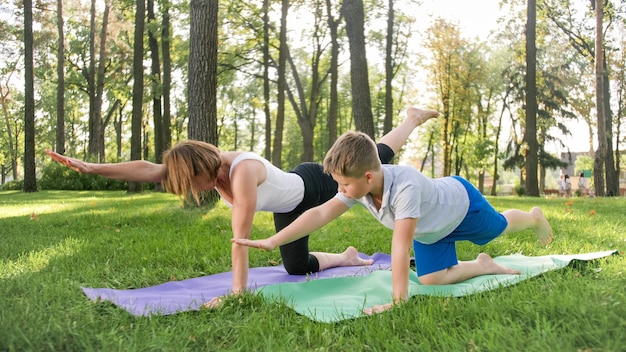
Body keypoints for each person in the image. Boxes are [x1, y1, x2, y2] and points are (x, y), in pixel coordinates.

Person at [46, 107, 439, 307]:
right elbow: (150, 169)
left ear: (205, 171)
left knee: (377, 156)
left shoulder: (242, 173)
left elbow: (242, 239)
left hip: (310, 187)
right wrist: (91, 167)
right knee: (296, 268)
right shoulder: (200, 164)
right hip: (287, 203)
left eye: (192, 186)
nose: (192, 192)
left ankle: (412, 120)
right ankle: (347, 256)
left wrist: (237, 292)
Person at [233, 130, 554, 315]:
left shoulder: (405, 188)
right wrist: (275, 241)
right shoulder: (359, 187)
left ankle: (532, 217)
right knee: (430, 280)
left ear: (368, 176)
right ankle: (483, 265)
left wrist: (396, 302)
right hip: (432, 230)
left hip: (461, 206)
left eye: (343, 185)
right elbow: (319, 214)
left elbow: (400, 247)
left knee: (497, 227)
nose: (340, 191)